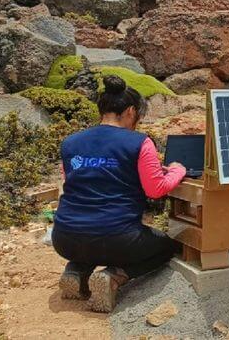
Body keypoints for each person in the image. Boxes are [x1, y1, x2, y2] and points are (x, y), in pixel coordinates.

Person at [52, 75, 186, 312]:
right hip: (117, 239)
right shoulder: (139, 142)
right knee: (166, 247)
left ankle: (76, 271)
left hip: (64, 238)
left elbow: (71, 182)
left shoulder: (70, 143)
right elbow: (155, 190)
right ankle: (115, 276)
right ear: (131, 111)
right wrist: (177, 171)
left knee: (91, 236)